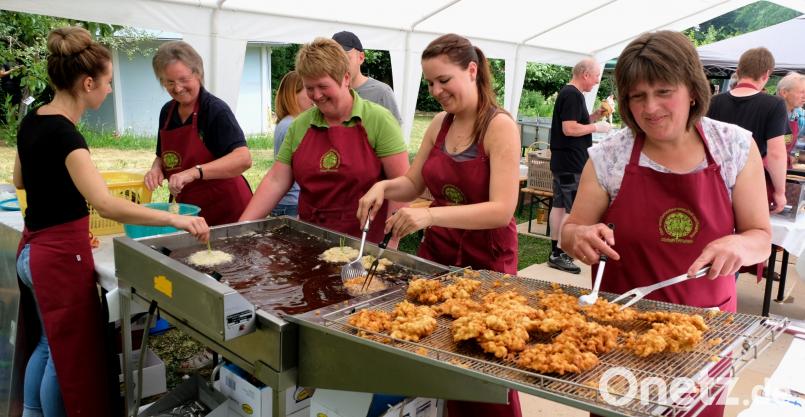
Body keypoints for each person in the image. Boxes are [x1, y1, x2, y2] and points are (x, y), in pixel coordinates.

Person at [561, 31, 771, 417]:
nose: (651, 108)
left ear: (692, 89)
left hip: (704, 331)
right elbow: (570, 230)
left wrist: (739, 245)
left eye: (663, 92)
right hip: (620, 330)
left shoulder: (734, 147)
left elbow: (760, 237)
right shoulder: (610, 156)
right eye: (637, 96)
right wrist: (581, 237)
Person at [11, 26, 209, 417]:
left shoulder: (33, 120)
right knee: (67, 360)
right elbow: (106, 205)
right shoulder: (68, 137)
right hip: (56, 260)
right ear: (88, 83)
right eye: (107, 82)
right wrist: (173, 219)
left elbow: (20, 179)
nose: (109, 89)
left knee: (48, 345)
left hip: (31, 251)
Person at [357, 33, 522, 417]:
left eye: (444, 80)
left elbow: (501, 209)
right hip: (439, 255)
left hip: (487, 261)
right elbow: (413, 184)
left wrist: (430, 215)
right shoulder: (439, 124)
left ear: (472, 70)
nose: (436, 91)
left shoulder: (499, 126)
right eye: (430, 83)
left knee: (485, 361)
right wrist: (382, 186)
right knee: (437, 350)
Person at [239, 37, 409, 243]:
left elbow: (402, 185)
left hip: (364, 244)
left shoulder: (378, 120)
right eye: (309, 88)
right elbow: (276, 180)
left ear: (345, 78)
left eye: (322, 86)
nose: (316, 95)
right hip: (310, 239)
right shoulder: (300, 125)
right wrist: (241, 228)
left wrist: (390, 242)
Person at [144, 40, 253, 226]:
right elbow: (161, 156)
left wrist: (194, 172)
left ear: (199, 74)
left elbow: (243, 158)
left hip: (228, 209)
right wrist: (156, 169)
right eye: (169, 82)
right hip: (190, 210)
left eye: (184, 79)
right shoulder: (167, 112)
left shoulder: (215, 110)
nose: (178, 88)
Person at [546, 58, 611, 274]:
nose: (597, 81)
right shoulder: (573, 95)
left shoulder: (570, 94)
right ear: (585, 74)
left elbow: (576, 122)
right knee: (572, 209)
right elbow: (570, 129)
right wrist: (597, 127)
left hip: (562, 161)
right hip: (571, 162)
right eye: (596, 76)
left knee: (559, 206)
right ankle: (562, 253)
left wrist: (595, 116)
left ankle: (555, 252)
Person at [707, 47, 787, 214]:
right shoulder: (774, 105)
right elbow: (776, 154)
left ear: (738, 71)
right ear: (766, 74)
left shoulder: (713, 102)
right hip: (751, 182)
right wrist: (780, 192)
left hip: (713, 181)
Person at [332, 30, 402, 124]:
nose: (339, 64)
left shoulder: (381, 92)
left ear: (361, 58)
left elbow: (394, 130)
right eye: (334, 59)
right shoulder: (328, 92)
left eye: (345, 58)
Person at [271, 70, 314, 217]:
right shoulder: (293, 125)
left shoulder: (286, 122)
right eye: (308, 89)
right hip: (291, 203)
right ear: (293, 94)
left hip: (285, 201)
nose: (313, 96)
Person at [776, 72, 805, 168]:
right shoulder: (769, 114)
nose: (804, 96)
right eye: (802, 92)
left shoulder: (798, 116)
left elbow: (796, 149)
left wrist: (795, 157)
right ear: (784, 93)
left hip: (786, 167)